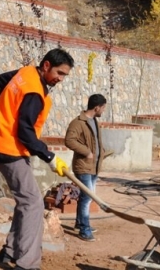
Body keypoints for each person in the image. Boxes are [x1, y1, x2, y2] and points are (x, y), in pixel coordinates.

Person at [0, 48, 74, 270]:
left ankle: (11, 252)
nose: (60, 79)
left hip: (0, 143)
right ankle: (28, 264)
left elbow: (1, 79)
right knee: (33, 203)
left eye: (65, 75)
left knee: (26, 200)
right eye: (59, 73)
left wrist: (8, 110)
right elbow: (25, 133)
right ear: (46, 66)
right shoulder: (34, 92)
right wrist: (50, 156)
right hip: (8, 148)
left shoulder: (27, 72)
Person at [64, 94, 107, 242]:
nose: (103, 110)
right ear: (97, 108)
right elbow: (69, 140)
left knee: (85, 197)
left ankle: (79, 223)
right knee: (87, 197)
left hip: (94, 166)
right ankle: (84, 230)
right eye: (103, 108)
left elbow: (95, 141)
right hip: (83, 167)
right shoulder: (78, 123)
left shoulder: (94, 121)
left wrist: (102, 153)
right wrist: (86, 152)